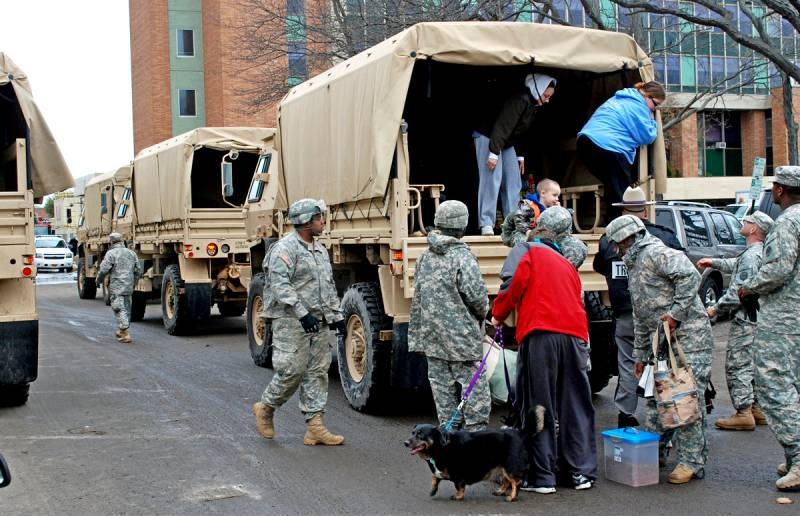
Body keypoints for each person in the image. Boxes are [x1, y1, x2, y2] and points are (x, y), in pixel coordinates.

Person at [605, 215, 713, 484]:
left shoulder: (655, 253)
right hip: (661, 343)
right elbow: (641, 315)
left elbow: (689, 275)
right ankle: (654, 451)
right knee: (657, 402)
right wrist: (641, 355)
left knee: (686, 401)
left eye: (619, 244)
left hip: (689, 341)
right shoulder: (635, 264)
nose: (617, 250)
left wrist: (676, 313)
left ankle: (692, 462)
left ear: (629, 239)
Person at [491, 220, 596, 494]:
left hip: (540, 335)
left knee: (539, 404)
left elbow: (513, 284)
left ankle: (542, 476)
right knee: (575, 405)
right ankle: (580, 473)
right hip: (575, 336)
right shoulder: (566, 264)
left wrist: (498, 315)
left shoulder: (528, 251)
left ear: (532, 237)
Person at [252, 198, 346, 446]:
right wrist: (302, 313)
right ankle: (266, 407)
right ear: (305, 222)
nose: (322, 222)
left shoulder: (319, 249)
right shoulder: (285, 249)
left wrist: (337, 317)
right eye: (319, 218)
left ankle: (315, 426)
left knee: (318, 372)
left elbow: (327, 286)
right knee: (291, 370)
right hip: (292, 320)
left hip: (319, 321)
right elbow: (280, 285)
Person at [593, 186, 683, 428]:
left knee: (627, 363)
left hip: (624, 314)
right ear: (646, 210)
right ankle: (666, 419)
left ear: (622, 210)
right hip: (660, 316)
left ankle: (625, 413)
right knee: (664, 364)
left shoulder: (608, 241)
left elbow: (600, 267)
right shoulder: (664, 236)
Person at [737, 166, 800, 491]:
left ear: (778, 191)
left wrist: (749, 286)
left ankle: (799, 458)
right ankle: (794, 458)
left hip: (784, 316)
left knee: (774, 386)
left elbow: (778, 269)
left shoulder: (787, 222)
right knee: (796, 386)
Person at [408, 200, 491, 431]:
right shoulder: (462, 257)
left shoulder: (425, 256)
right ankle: (475, 437)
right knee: (473, 388)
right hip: (461, 338)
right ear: (462, 226)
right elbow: (477, 298)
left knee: (441, 387)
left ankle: (449, 436)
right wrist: (485, 315)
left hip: (433, 335)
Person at [699, 211, 773, 431]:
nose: (743, 222)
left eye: (747, 221)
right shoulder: (756, 253)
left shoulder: (752, 256)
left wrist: (714, 309)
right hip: (757, 318)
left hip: (747, 319)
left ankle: (743, 412)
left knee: (738, 365)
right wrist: (714, 262)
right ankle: (756, 409)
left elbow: (736, 293)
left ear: (754, 229)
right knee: (752, 365)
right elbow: (735, 264)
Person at [475, 73, 556, 235]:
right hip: (490, 136)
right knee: (492, 179)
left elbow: (521, 132)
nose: (547, 100)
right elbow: (503, 126)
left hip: (506, 141)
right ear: (538, 89)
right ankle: (486, 223)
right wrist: (493, 153)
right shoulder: (520, 100)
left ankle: (512, 222)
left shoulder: (533, 104)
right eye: (546, 95)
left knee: (514, 180)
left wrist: (520, 155)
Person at [577, 81, 666, 221]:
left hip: (585, 142)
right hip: (610, 146)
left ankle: (609, 220)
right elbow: (647, 136)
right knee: (623, 194)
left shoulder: (619, 97)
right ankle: (620, 225)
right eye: (655, 105)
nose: (654, 109)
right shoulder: (638, 106)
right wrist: (653, 121)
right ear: (647, 96)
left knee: (613, 185)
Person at [95, 232, 141, 344]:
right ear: (122, 240)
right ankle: (122, 330)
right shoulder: (131, 253)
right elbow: (138, 270)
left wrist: (98, 280)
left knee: (118, 307)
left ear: (111, 242)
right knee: (126, 307)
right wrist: (134, 282)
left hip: (117, 286)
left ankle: (125, 333)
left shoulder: (111, 253)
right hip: (129, 285)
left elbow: (103, 270)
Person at [500, 179, 561, 247]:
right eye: (554, 195)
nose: (557, 199)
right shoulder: (529, 205)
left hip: (537, 235)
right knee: (525, 240)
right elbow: (518, 218)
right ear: (543, 193)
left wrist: (558, 211)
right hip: (521, 233)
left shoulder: (551, 209)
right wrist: (527, 231)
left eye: (558, 196)